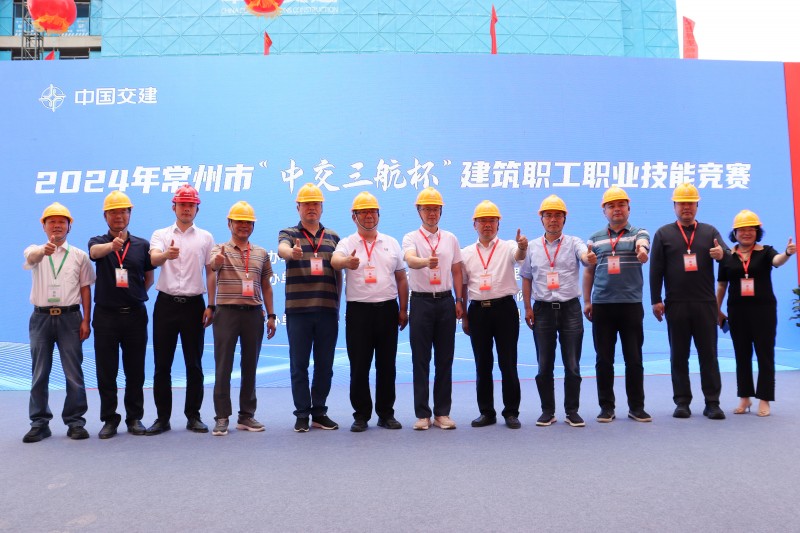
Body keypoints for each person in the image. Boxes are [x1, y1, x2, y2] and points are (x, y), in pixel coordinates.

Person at [650, 182, 729, 420]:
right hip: (676, 303)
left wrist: (721, 255)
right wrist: (656, 300)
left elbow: (728, 257)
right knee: (679, 355)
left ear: (697, 206)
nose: (687, 207)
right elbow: (656, 270)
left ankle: (712, 403)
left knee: (709, 355)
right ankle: (682, 402)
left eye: (691, 203)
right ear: (674, 206)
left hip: (705, 303)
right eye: (682, 203)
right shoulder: (663, 233)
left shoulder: (710, 232)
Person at [331, 192, 408, 432]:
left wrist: (403, 309)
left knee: (387, 366)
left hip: (387, 310)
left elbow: (401, 278)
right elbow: (335, 261)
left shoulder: (391, 243)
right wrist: (346, 263)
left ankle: (386, 414)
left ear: (378, 215)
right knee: (359, 366)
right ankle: (361, 415)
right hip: (359, 313)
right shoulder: (347, 243)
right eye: (363, 212)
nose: (368, 216)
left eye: (372, 211)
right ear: (354, 216)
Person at [22, 203, 96, 443]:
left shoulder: (79, 256)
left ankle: (75, 422)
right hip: (41, 318)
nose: (57, 225)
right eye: (51, 221)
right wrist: (44, 251)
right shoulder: (34, 251)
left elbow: (85, 289)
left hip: (70, 318)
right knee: (39, 373)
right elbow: (31, 258)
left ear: (69, 226)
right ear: (43, 226)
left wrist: (86, 320)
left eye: (62, 222)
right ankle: (39, 423)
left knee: (73, 373)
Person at [521, 194, 596, 428]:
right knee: (544, 365)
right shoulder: (532, 247)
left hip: (570, 309)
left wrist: (588, 257)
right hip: (542, 310)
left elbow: (585, 257)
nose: (553, 219)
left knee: (572, 364)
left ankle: (572, 411)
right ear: (541, 219)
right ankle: (547, 411)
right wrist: (527, 307)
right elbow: (526, 277)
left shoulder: (574, 243)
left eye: (557, 215)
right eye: (548, 215)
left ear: (564, 219)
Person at [146, 184, 215, 435]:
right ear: (173, 207)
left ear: (197, 209)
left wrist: (211, 304)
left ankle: (193, 416)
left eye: (191, 205)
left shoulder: (205, 237)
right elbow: (153, 259)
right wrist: (166, 255)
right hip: (165, 305)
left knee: (194, 364)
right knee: (162, 365)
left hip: (194, 306)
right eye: (182, 204)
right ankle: (162, 418)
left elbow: (210, 272)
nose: (186, 209)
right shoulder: (161, 234)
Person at [716, 210, 796, 417]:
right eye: (742, 229)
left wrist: (787, 253)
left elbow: (777, 261)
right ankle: (744, 397)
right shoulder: (726, 256)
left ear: (757, 232)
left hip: (764, 311)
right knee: (742, 355)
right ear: (735, 233)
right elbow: (722, 285)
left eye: (751, 229)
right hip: (737, 311)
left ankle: (765, 398)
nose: (746, 233)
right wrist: (716, 310)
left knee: (764, 354)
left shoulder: (766, 251)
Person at [583, 186, 652, 423]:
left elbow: (643, 245)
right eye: (611, 206)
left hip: (630, 305)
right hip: (602, 305)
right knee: (604, 360)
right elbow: (588, 271)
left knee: (634, 359)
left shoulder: (639, 232)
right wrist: (587, 300)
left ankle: (637, 407)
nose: (616, 209)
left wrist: (642, 251)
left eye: (621, 205)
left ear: (628, 208)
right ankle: (606, 407)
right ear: (604, 211)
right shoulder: (594, 239)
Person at [89, 191, 155, 439]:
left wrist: (134, 295)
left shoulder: (142, 245)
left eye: (123, 211)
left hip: (135, 315)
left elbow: (148, 278)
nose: (119, 216)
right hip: (106, 316)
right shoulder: (97, 241)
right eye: (113, 212)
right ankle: (109, 419)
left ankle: (134, 417)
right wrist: (112, 246)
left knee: (135, 370)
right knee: (106, 370)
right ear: (105, 216)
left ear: (130, 214)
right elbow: (95, 253)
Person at [209, 201, 277, 436]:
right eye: (239, 222)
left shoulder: (261, 253)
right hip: (226, 313)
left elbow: (266, 285)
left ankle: (246, 415)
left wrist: (271, 315)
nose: (244, 226)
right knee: (223, 366)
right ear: (230, 224)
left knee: (250, 366)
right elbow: (212, 267)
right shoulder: (219, 249)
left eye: (248, 222)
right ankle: (221, 417)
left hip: (254, 314)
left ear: (253, 226)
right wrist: (217, 263)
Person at [278, 183, 342, 433]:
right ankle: (302, 413)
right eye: (306, 204)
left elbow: (338, 273)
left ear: (322, 207)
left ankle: (319, 412)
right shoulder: (289, 233)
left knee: (325, 365)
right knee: (299, 365)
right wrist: (290, 253)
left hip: (327, 310)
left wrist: (337, 304)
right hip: (299, 311)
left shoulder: (333, 237)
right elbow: (282, 250)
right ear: (298, 207)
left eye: (315, 203)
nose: (311, 208)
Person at [402, 187, 465, 431]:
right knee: (420, 359)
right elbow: (410, 260)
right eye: (427, 209)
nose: (431, 213)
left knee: (444, 359)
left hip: (446, 302)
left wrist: (459, 300)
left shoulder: (450, 238)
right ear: (419, 211)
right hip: (421, 302)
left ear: (441, 212)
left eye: (435, 209)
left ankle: (442, 413)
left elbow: (457, 270)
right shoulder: (411, 237)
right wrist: (425, 262)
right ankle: (422, 414)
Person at [460, 200, 526, 429]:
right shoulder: (466, 253)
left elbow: (519, 255)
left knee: (508, 362)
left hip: (504, 309)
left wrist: (523, 246)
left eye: (492, 221)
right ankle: (486, 412)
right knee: (482, 364)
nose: (487, 225)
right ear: (474, 225)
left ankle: (511, 412)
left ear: (498, 224)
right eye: (483, 221)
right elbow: (463, 286)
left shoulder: (508, 246)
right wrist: (464, 315)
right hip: (478, 312)